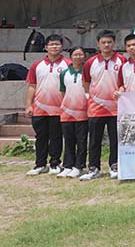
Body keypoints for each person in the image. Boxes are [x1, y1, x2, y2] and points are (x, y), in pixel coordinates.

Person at [79, 30, 125, 181]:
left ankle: (115, 166)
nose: (106, 45)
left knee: (115, 139)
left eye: (109, 42)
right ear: (98, 44)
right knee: (94, 140)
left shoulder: (122, 60)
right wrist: (92, 98)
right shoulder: (90, 62)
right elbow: (86, 83)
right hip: (95, 108)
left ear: (114, 43)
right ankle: (93, 168)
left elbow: (125, 82)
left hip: (116, 108)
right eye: (103, 42)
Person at [25, 34, 69, 176]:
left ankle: (55, 163)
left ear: (62, 47)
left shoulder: (67, 65)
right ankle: (40, 164)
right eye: (51, 44)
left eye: (57, 44)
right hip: (39, 108)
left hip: (59, 108)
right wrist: (28, 105)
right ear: (45, 47)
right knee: (41, 137)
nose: (54, 47)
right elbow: (32, 86)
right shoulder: (36, 66)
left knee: (56, 136)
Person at [56, 47, 88, 178]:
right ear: (71, 56)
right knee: (68, 140)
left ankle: (79, 166)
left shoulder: (87, 72)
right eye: (75, 54)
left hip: (83, 112)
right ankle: (68, 165)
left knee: (81, 141)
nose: (78, 57)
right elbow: (63, 91)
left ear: (84, 57)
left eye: (81, 54)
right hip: (67, 112)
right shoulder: (64, 73)